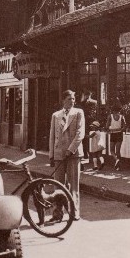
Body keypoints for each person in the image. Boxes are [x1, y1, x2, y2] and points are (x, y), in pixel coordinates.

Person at [49, 90, 84, 221]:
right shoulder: (56, 115)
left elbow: (80, 133)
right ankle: (57, 213)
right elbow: (52, 136)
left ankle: (74, 212)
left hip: (73, 154)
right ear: (63, 100)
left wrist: (71, 149)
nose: (72, 101)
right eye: (69, 99)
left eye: (74, 99)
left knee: (73, 184)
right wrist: (51, 155)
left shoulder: (78, 113)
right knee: (58, 185)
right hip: (59, 154)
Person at [106, 102, 125, 170]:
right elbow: (124, 127)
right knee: (118, 151)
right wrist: (119, 129)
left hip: (113, 134)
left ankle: (117, 160)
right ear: (119, 110)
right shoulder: (122, 116)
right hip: (119, 134)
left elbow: (107, 126)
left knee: (111, 150)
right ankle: (119, 166)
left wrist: (110, 129)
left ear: (113, 110)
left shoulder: (110, 116)